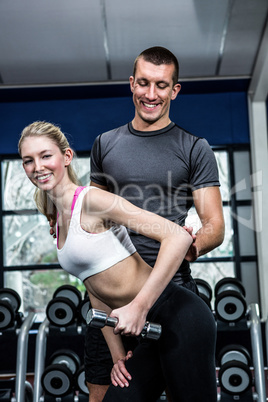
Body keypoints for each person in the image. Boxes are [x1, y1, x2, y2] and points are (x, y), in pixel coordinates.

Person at [19, 121, 218, 401]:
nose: (37, 166)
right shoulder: (59, 217)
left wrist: (138, 307)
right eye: (28, 160)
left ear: (66, 157)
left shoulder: (92, 201)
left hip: (180, 317)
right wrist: (116, 355)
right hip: (146, 331)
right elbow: (95, 288)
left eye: (45, 156)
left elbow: (177, 237)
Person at [86, 46, 225, 400]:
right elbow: (93, 221)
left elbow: (214, 225)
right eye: (144, 83)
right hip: (114, 298)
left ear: (174, 90)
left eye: (161, 86)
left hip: (170, 296)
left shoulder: (194, 148)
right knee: (107, 393)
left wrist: (191, 247)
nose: (151, 95)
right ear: (131, 84)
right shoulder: (105, 145)